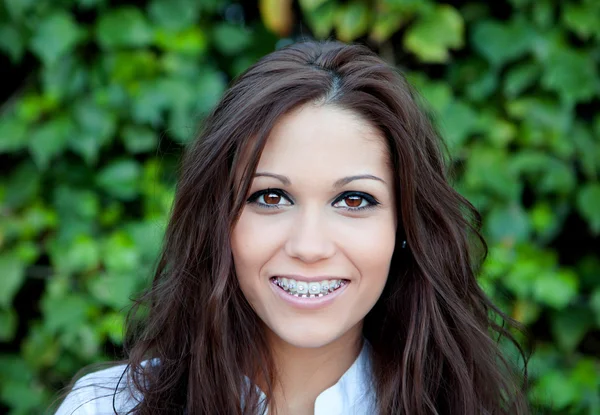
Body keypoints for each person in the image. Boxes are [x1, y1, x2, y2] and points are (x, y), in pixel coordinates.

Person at [55, 40, 529, 415]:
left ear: (403, 228)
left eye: (353, 200)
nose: (308, 246)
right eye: (271, 197)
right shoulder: (108, 408)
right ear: (220, 221)